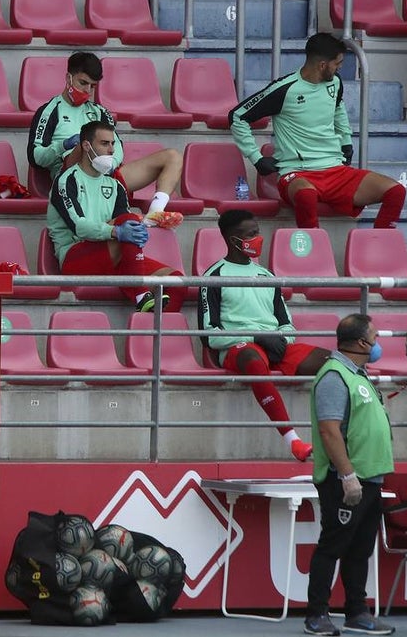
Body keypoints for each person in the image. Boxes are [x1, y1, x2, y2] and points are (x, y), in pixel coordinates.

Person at [229, 32, 405, 230]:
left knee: (396, 191)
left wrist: (346, 142)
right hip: (297, 172)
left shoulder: (335, 82)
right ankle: (312, 244)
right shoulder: (284, 89)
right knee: (306, 194)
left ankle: (378, 242)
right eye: (337, 63)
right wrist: (256, 158)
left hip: (335, 170)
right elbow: (237, 116)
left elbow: (338, 108)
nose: (340, 67)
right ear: (322, 65)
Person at [198, 210, 330, 462]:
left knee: (334, 363)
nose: (259, 238)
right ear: (233, 239)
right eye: (252, 234)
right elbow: (209, 336)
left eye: (257, 232)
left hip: (274, 345)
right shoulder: (213, 276)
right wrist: (256, 337)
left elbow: (286, 324)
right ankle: (293, 441)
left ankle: (342, 436)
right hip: (240, 346)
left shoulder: (267, 276)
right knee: (253, 360)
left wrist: (281, 340)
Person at [305, 313, 395, 636]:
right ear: (361, 343)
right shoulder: (334, 376)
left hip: (370, 478)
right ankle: (316, 615)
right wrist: (347, 476)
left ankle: (356, 611)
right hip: (345, 480)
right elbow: (329, 431)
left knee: (360, 549)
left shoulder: (357, 375)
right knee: (332, 546)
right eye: (374, 337)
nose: (377, 343)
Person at [28, 51, 184, 229]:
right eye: (83, 83)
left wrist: (109, 165)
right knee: (85, 143)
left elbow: (116, 146)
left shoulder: (100, 112)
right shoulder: (49, 111)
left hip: (106, 174)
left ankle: (155, 212)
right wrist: (62, 145)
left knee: (173, 156)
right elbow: (35, 157)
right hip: (74, 177)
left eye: (93, 86)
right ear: (68, 78)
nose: (87, 91)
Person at [47, 120, 186, 312]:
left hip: (113, 257)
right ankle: (140, 294)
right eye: (105, 143)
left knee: (177, 282)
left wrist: (137, 230)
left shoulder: (115, 185)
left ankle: (148, 328)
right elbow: (78, 226)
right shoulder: (66, 180)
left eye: (113, 143)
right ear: (86, 146)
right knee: (128, 222)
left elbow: (125, 224)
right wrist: (116, 232)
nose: (112, 150)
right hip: (75, 259)